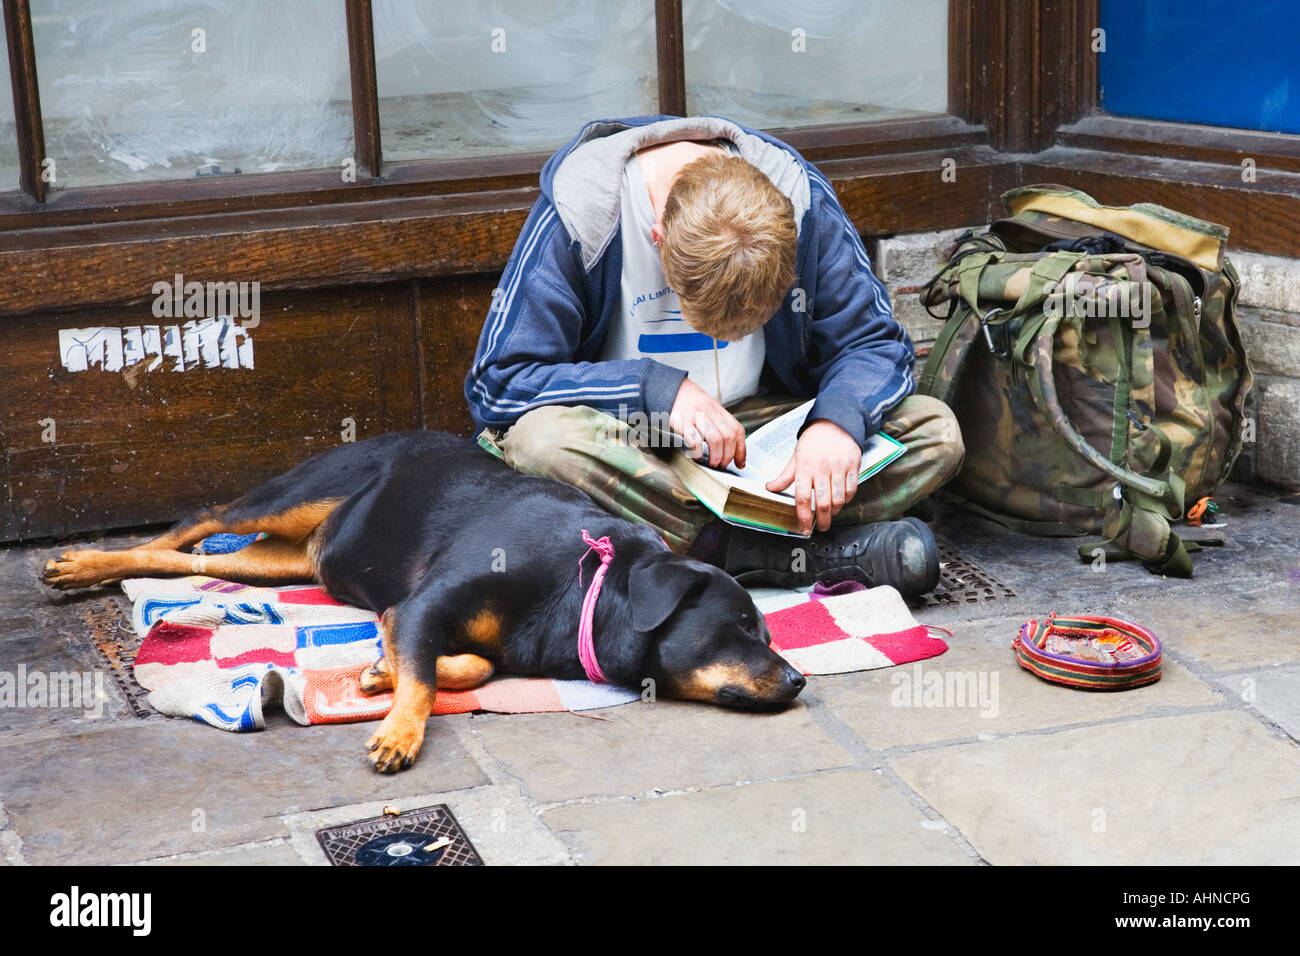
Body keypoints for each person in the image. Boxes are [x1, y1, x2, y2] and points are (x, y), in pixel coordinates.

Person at [464, 115, 964, 596]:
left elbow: (873, 343)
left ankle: (716, 546)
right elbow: (500, 379)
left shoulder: (800, 202)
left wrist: (835, 425)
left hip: (760, 440)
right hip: (634, 439)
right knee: (543, 442)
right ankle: (793, 551)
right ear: (658, 238)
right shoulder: (584, 212)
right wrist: (655, 390)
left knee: (935, 431)